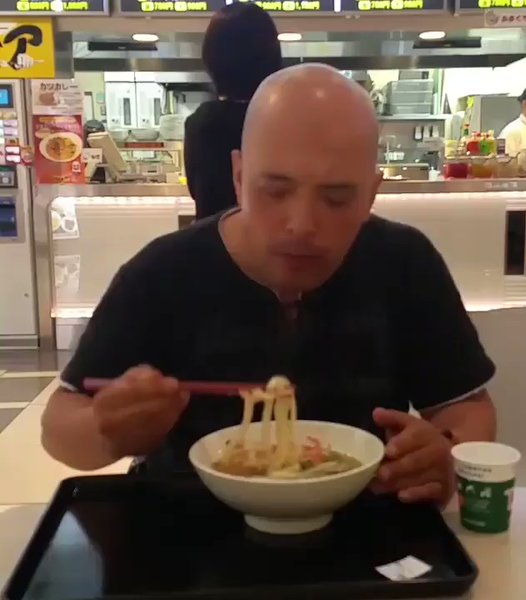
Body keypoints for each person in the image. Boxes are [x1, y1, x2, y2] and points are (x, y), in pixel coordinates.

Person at [42, 65, 497, 506]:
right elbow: (59, 425)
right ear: (239, 178)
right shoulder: (163, 272)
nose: (301, 225)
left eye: (337, 198)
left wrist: (446, 450)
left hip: (365, 521)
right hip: (184, 523)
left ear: (371, 193)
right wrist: (106, 428)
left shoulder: (404, 262)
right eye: (275, 191)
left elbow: (467, 407)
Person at [184, 3, 282, 219]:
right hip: (274, 238)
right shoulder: (288, 119)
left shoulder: (202, 123)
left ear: (211, 59)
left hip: (214, 238)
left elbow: (197, 192)